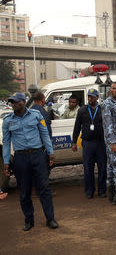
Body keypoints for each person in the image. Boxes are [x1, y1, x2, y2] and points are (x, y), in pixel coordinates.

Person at [2, 92, 58, 231]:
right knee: (24, 191)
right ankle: (29, 220)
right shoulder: (8, 120)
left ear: (23, 102)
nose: (14, 104)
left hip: (38, 155)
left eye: (16, 102)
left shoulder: (36, 115)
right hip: (21, 159)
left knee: (44, 188)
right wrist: (6, 161)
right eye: (12, 102)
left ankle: (50, 219)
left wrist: (50, 152)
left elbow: (44, 133)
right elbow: (6, 142)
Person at [72, 88, 107, 199]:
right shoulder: (82, 110)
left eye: (92, 96)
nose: (90, 98)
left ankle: (102, 190)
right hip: (87, 143)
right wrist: (74, 141)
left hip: (101, 143)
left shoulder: (102, 109)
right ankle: (89, 191)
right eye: (89, 96)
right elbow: (77, 126)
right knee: (88, 168)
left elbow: (108, 125)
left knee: (102, 167)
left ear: (97, 97)